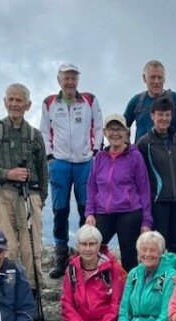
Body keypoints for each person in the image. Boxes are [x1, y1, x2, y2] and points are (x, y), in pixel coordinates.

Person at [0, 83, 49, 300]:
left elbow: (43, 173)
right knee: (8, 246)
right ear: (5, 102)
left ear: (28, 105)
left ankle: (32, 294)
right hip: (2, 193)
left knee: (31, 248)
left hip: (30, 196)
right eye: (11, 99)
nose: (15, 104)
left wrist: (39, 200)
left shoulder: (35, 135)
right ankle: (9, 291)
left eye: (19, 100)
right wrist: (8, 174)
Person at [40, 63, 104, 278]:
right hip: (59, 162)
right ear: (59, 79)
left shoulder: (89, 100)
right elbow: (44, 132)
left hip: (85, 162)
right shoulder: (49, 102)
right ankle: (61, 254)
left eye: (73, 78)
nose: (70, 82)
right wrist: (49, 157)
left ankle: (83, 254)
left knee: (86, 210)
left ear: (78, 80)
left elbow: (98, 126)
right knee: (60, 210)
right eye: (66, 78)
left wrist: (96, 152)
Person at [84, 114, 153, 270]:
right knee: (92, 250)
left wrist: (146, 221)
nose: (115, 133)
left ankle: (129, 291)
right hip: (103, 212)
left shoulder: (135, 156)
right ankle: (99, 289)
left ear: (126, 132)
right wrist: (89, 213)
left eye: (119, 129)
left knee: (129, 258)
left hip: (129, 212)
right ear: (105, 132)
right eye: (111, 129)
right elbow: (91, 187)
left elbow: (144, 189)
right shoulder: (100, 157)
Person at [137, 96, 176, 256]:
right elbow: (140, 176)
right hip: (158, 201)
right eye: (160, 114)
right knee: (159, 243)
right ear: (152, 115)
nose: (164, 118)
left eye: (167, 115)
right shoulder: (144, 143)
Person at [123, 59, 176, 141]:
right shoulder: (136, 101)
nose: (156, 81)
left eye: (159, 77)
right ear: (144, 78)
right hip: (142, 152)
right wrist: (127, 149)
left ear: (164, 79)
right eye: (152, 77)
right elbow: (122, 128)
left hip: (171, 152)